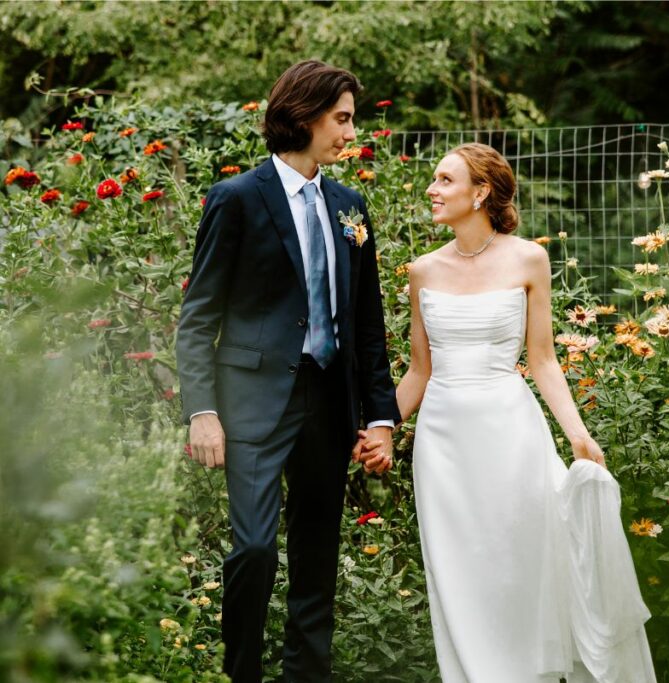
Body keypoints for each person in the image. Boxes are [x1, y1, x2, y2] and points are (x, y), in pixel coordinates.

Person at [353, 143, 656, 682]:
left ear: (481, 192)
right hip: (443, 448)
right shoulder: (422, 271)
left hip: (512, 435)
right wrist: (382, 430)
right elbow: (420, 371)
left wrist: (579, 437)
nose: (432, 190)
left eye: (445, 180)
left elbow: (542, 359)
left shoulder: (528, 259)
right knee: (459, 581)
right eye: (434, 180)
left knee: (521, 571)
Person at [176, 60, 400, 683]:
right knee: (254, 548)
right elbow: (198, 318)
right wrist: (202, 411)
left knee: (316, 552)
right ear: (303, 116)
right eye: (343, 118)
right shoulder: (237, 199)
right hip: (250, 402)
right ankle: (240, 672)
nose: (351, 134)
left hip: (329, 401)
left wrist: (379, 415)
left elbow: (366, 324)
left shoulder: (350, 206)